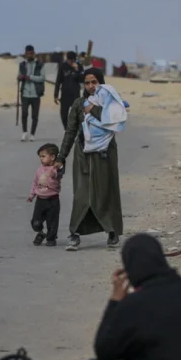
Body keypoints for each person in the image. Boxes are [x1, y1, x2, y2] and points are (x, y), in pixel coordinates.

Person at [55, 68, 123, 251]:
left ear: (101, 83)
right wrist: (61, 157)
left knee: (106, 191)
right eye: (87, 82)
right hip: (83, 155)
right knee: (82, 194)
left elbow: (115, 121)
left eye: (94, 82)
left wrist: (93, 108)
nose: (91, 86)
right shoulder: (78, 104)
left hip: (105, 155)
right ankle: (74, 234)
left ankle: (112, 232)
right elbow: (70, 132)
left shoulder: (111, 102)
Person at [27, 143, 62, 247]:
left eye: (43, 156)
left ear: (52, 157)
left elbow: (58, 173)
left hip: (53, 200)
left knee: (52, 222)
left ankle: (51, 239)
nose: (41, 159)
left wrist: (54, 171)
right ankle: (41, 233)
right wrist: (31, 195)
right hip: (40, 200)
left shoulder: (56, 169)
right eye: (40, 157)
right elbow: (35, 182)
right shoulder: (39, 170)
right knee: (35, 222)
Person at [17, 45, 46, 142]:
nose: (29, 55)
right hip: (25, 93)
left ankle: (32, 134)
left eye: (31, 53)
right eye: (28, 53)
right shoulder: (22, 65)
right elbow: (18, 75)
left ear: (34, 53)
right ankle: (24, 133)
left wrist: (30, 77)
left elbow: (42, 78)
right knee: (24, 113)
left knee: (35, 115)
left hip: (36, 93)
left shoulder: (40, 64)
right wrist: (19, 77)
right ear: (25, 53)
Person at [54, 51, 84, 130]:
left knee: (76, 115)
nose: (70, 62)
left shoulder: (79, 66)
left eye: (72, 60)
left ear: (74, 59)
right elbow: (58, 81)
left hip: (75, 95)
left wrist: (77, 69)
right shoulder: (63, 66)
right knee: (63, 115)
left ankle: (75, 130)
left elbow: (81, 79)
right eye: (69, 60)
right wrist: (55, 95)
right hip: (65, 95)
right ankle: (67, 130)